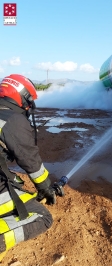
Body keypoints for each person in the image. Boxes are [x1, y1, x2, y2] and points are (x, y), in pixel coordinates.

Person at [0, 74, 56, 262]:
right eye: (29, 102)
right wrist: (45, 187)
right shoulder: (12, 118)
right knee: (41, 217)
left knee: (15, 183)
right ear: (22, 96)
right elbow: (30, 161)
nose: (28, 107)